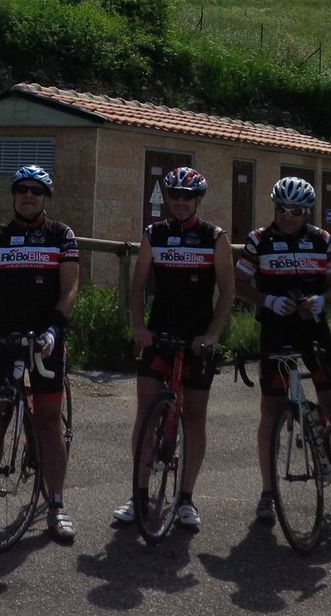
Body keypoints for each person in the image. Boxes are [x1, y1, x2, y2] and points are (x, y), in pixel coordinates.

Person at [0, 164, 79, 543]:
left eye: (36, 191)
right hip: (6, 339)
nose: (28, 195)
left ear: (45, 198)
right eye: (22, 189)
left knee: (48, 422)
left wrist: (55, 328)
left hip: (45, 339)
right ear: (14, 195)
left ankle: (56, 504)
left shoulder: (61, 235)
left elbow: (70, 289)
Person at [112, 166, 235, 531]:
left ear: (198, 200)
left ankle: (186, 498)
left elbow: (227, 291)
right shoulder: (155, 234)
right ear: (167, 197)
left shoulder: (215, 237)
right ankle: (138, 493)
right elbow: (138, 286)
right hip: (159, 336)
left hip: (197, 339)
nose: (180, 201)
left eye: (187, 196)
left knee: (194, 417)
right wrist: (139, 327)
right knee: (146, 413)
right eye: (175, 195)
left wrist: (213, 335)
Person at [235, 175, 331, 521]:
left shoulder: (321, 240)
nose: (288, 216)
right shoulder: (258, 241)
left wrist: (321, 301)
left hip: (313, 330)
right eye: (282, 209)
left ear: (307, 213)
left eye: (296, 211)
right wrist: (267, 300)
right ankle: (268, 492)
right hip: (275, 331)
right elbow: (240, 285)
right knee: (271, 411)